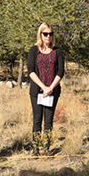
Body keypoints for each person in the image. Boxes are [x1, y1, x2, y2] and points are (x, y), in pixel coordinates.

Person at [27, 23, 65, 154]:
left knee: (48, 120)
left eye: (50, 34)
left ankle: (46, 147)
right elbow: (31, 71)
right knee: (37, 119)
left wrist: (50, 88)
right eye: (45, 34)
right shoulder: (34, 50)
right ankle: (35, 147)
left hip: (52, 91)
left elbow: (60, 71)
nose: (48, 36)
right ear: (40, 35)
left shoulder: (57, 51)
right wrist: (43, 87)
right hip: (36, 91)